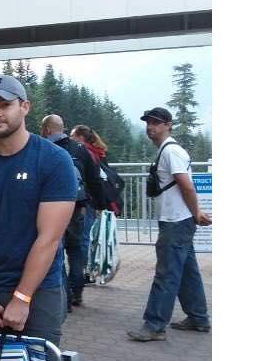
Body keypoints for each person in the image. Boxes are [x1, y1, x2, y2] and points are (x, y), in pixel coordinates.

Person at [0, 75, 76, 345]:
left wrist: (22, 297)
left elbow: (49, 238)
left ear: (24, 107)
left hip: (40, 291)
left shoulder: (55, 161)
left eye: (5, 104)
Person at [128, 107, 211, 342]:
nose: (150, 127)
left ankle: (154, 325)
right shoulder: (170, 150)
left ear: (168, 125)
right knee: (186, 270)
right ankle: (198, 317)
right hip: (179, 220)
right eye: (148, 123)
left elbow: (186, 185)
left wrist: (196, 213)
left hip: (176, 221)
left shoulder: (170, 152)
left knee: (166, 273)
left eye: (155, 123)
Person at [40, 115, 106, 308]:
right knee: (76, 250)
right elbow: (94, 179)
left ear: (47, 129)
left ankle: (64, 299)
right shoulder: (81, 150)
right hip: (78, 208)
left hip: (52, 210)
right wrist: (100, 204)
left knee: (54, 250)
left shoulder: (44, 149)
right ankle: (76, 292)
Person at [71, 125, 117, 282]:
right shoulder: (97, 152)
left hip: (86, 200)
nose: (70, 139)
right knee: (86, 237)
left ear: (80, 138)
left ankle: (82, 274)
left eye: (72, 135)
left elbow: (92, 180)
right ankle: (85, 272)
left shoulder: (84, 153)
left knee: (82, 238)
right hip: (93, 201)